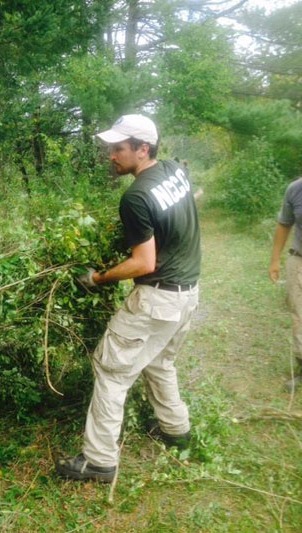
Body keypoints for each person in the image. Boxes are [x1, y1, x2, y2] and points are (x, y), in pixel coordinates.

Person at [56, 114, 201, 482]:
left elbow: (144, 262)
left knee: (111, 370)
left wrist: (98, 277)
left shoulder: (135, 196)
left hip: (158, 299)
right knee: (159, 362)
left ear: (142, 148)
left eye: (118, 148)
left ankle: (99, 460)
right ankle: (177, 432)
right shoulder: (173, 170)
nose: (111, 156)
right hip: (188, 294)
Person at [269, 177, 302, 392]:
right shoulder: (295, 189)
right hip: (299, 260)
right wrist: (275, 259)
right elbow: (284, 223)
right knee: (299, 315)